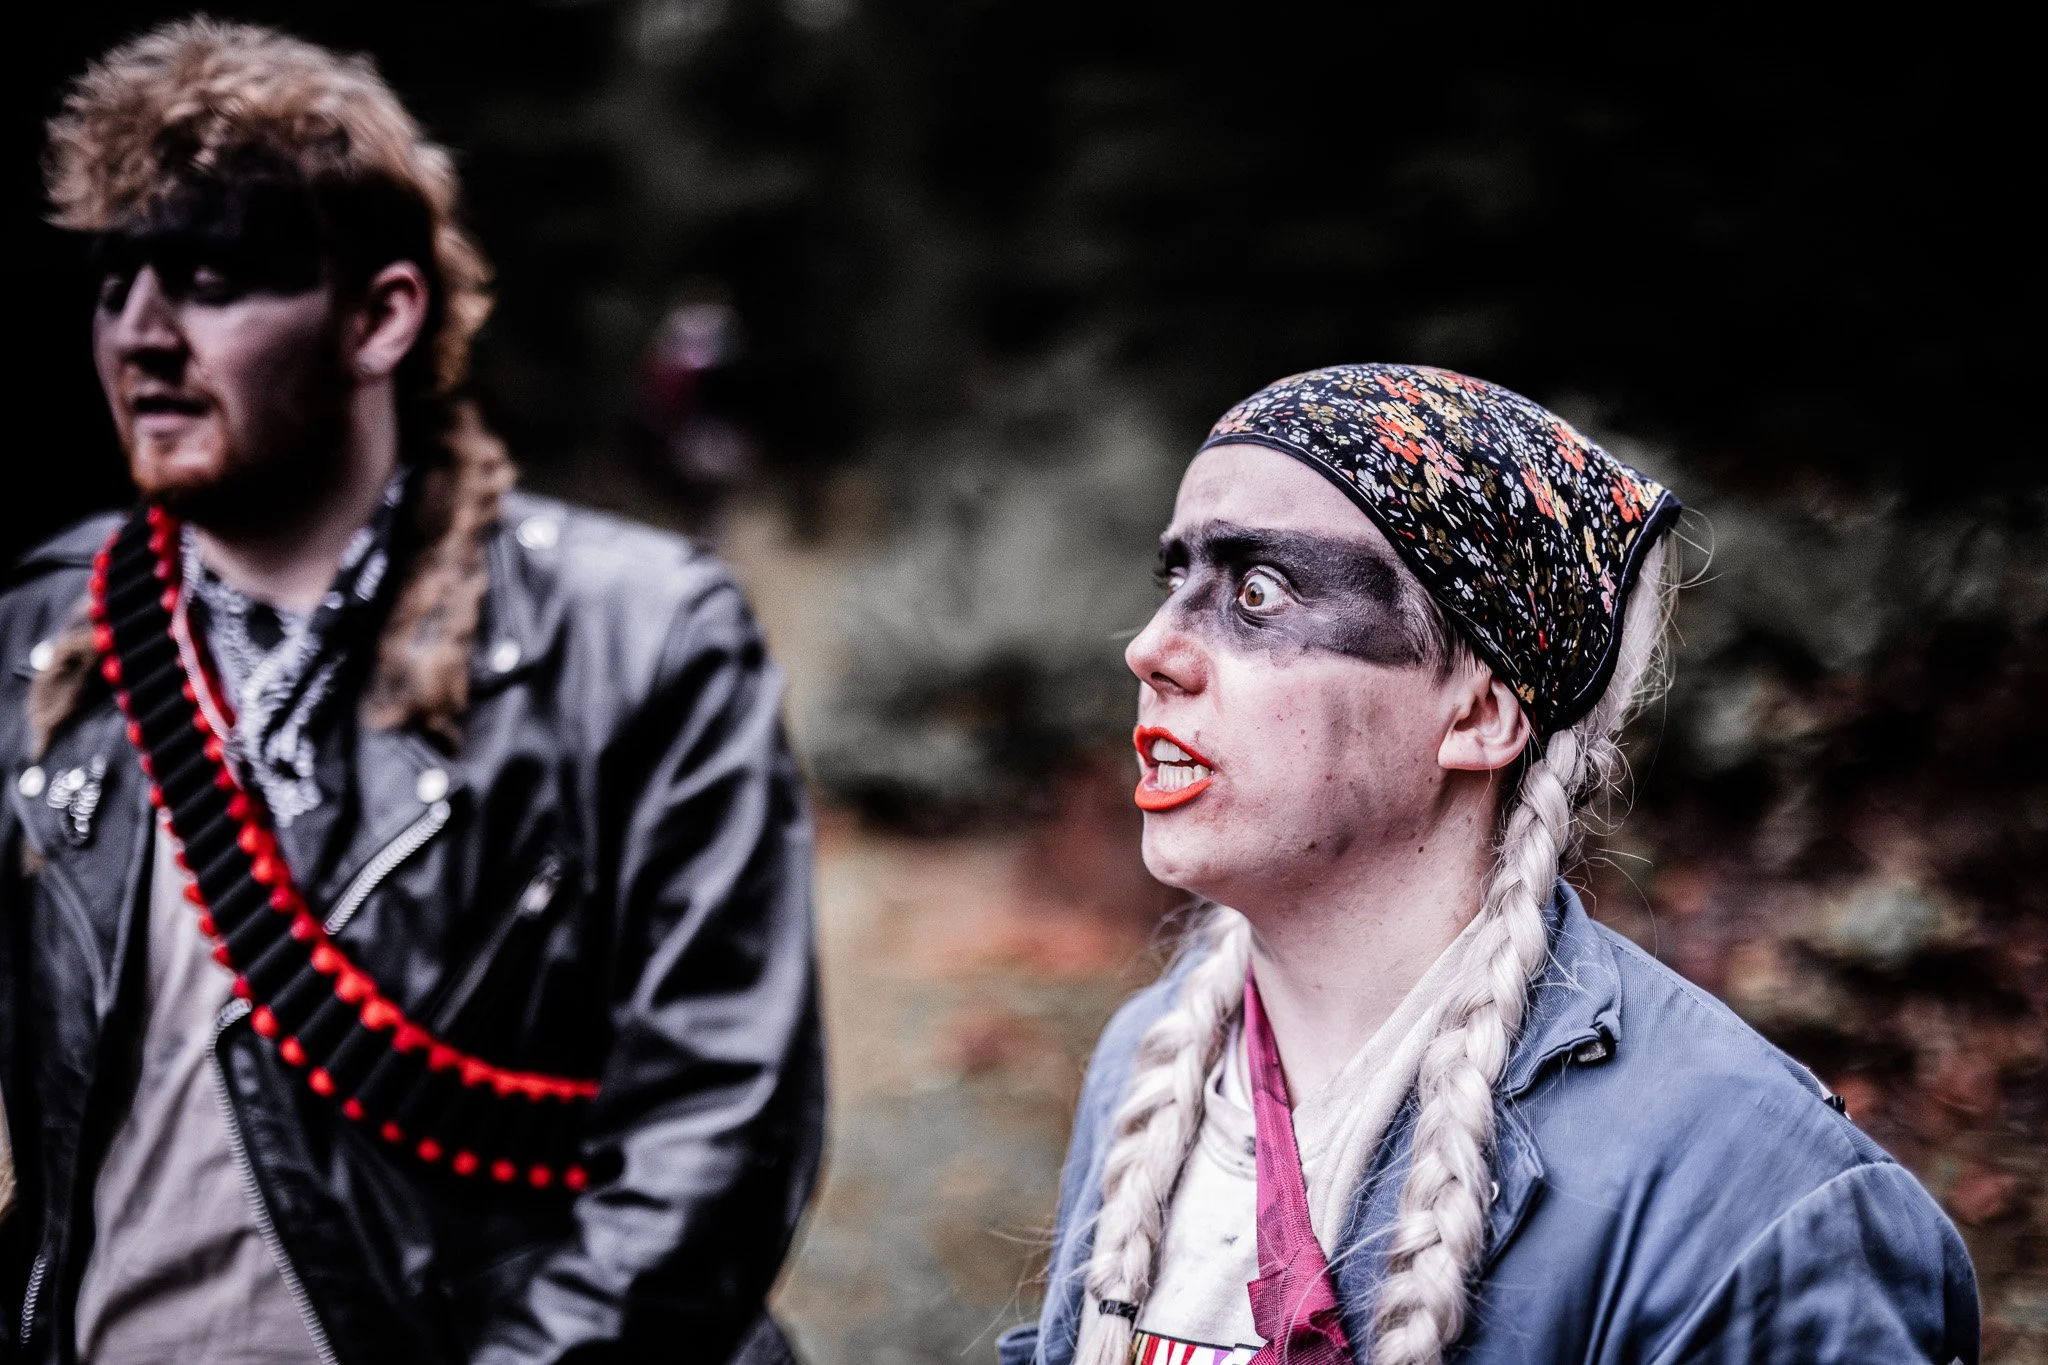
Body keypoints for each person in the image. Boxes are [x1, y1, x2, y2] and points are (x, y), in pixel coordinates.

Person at [0, 20, 822, 1365]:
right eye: (115, 281)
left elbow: (711, 1151)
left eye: (211, 279)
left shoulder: (639, 640)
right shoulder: (45, 629)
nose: (139, 333)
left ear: (382, 315)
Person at [1002, 364, 1978, 1365]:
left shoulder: (1750, 1201)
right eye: (1175, 583)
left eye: (1258, 591)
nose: (1150, 648)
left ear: (1477, 713)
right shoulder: (1147, 1065)